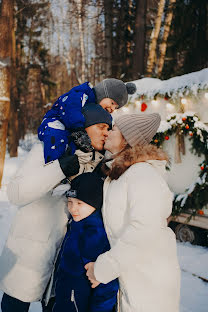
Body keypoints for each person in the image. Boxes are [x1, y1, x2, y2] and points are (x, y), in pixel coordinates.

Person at [0, 105, 112, 312]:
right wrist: (59, 168)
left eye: (109, 128)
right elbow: (15, 193)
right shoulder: (49, 148)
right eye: (101, 126)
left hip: (63, 265)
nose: (107, 133)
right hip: (28, 256)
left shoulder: (100, 163)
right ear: (85, 127)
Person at [85, 113, 181, 312]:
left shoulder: (142, 174)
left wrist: (102, 269)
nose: (108, 133)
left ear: (127, 139)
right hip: (132, 280)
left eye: (114, 129)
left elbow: (143, 232)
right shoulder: (121, 174)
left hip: (150, 286)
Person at [52, 172, 118, 312]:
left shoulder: (94, 234)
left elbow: (107, 286)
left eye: (79, 203)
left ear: (95, 203)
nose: (73, 208)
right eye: (70, 202)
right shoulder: (78, 224)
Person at [38, 79, 136, 163]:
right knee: (57, 136)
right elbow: (72, 109)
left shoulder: (96, 108)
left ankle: (69, 166)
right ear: (103, 93)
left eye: (116, 107)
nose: (112, 109)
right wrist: (78, 129)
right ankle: (54, 164)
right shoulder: (82, 94)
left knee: (73, 145)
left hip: (70, 126)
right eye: (112, 103)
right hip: (56, 120)